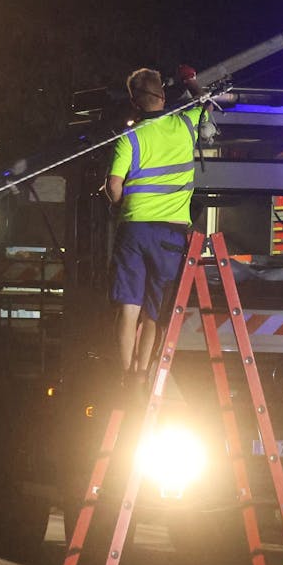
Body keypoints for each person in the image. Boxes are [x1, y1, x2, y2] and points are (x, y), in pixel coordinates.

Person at [104, 66, 205, 386]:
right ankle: (143, 373)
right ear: (162, 94)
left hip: (134, 229)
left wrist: (118, 201)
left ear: (134, 102)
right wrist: (190, 79)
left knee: (129, 307)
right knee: (153, 311)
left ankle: (126, 376)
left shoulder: (129, 137)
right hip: (171, 234)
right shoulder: (185, 126)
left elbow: (114, 188)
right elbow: (204, 102)